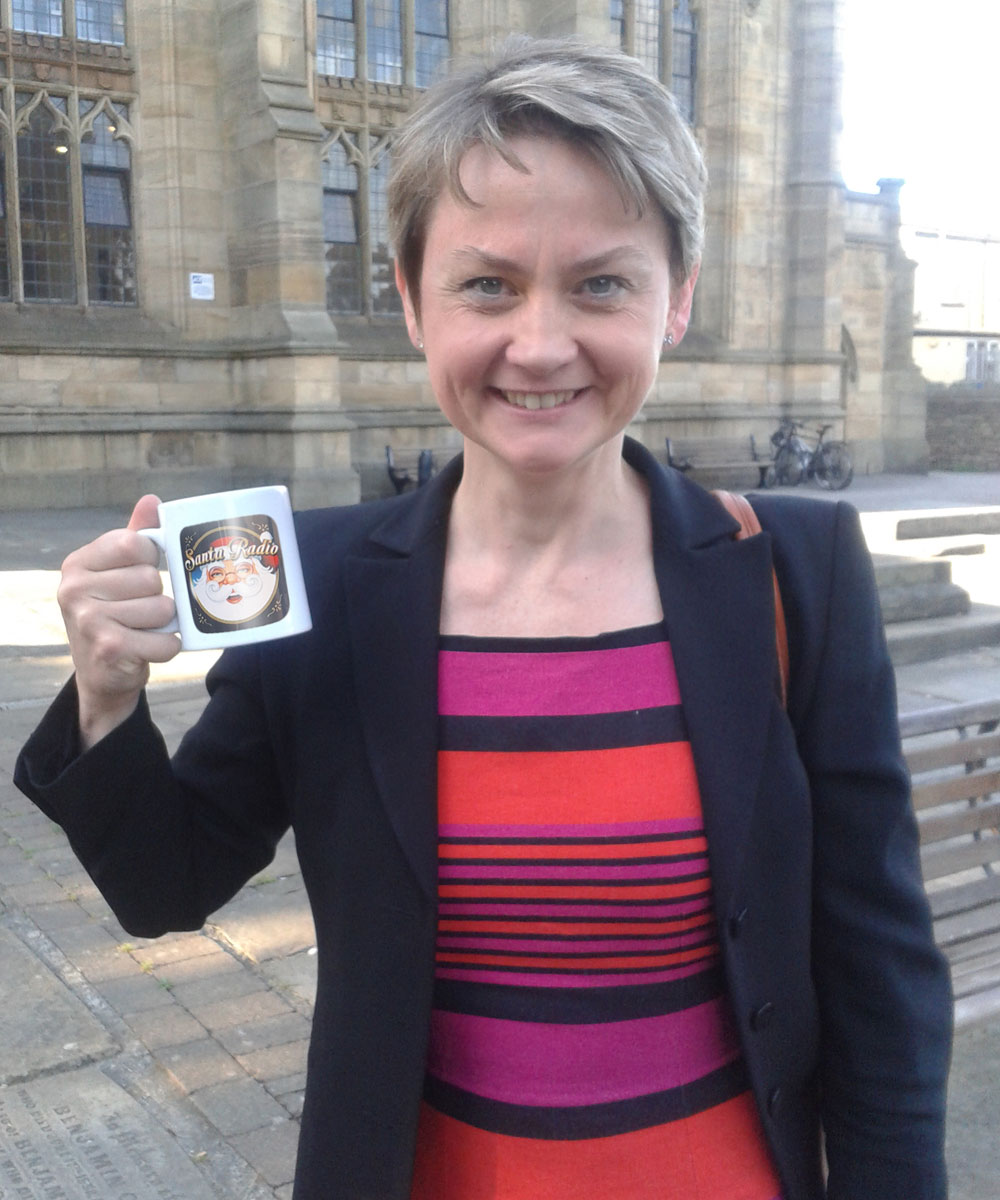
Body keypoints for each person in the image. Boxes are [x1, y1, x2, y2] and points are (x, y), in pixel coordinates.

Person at [15, 35, 951, 1200]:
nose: (541, 343)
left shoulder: (791, 573)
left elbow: (879, 973)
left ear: (678, 299)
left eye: (601, 281)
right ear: (411, 299)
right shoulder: (318, 587)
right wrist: (106, 698)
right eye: (487, 284)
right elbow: (167, 886)